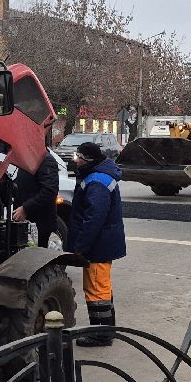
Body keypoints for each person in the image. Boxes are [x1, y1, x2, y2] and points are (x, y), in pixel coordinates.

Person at [68, 142, 126, 347]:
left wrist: (80, 246)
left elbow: (94, 218)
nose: (75, 160)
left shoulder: (97, 181)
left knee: (96, 289)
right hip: (102, 242)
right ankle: (107, 329)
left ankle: (100, 334)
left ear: (88, 160)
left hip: (98, 245)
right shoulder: (97, 175)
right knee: (101, 287)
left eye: (78, 157)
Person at [12, 138, 61, 247]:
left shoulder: (46, 160)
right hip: (31, 222)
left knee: (38, 257)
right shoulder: (31, 159)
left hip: (40, 224)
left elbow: (49, 191)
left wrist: (25, 208)